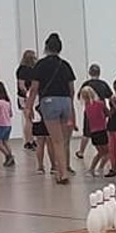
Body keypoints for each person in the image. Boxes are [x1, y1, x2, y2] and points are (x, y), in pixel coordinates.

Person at [23, 32, 77, 184]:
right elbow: (72, 90)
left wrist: (29, 107)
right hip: (65, 101)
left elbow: (34, 88)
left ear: (46, 47)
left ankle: (62, 173)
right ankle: (64, 169)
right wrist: (72, 109)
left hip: (49, 102)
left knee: (56, 140)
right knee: (64, 141)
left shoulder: (41, 65)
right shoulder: (66, 65)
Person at [76, 64, 114, 160]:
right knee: (102, 130)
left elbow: (79, 96)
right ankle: (106, 151)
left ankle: (81, 152)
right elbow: (111, 97)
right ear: (99, 73)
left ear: (89, 73)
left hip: (89, 112)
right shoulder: (103, 84)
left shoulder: (86, 84)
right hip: (101, 112)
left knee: (86, 132)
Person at [79, 85, 111, 177]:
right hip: (102, 131)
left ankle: (92, 169)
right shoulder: (100, 104)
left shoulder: (87, 107)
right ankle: (99, 168)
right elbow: (107, 113)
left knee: (100, 152)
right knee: (107, 152)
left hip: (94, 133)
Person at [16, 50, 38, 153]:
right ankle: (29, 141)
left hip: (27, 96)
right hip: (27, 96)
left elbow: (21, 84)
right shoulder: (26, 70)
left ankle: (30, 139)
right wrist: (27, 95)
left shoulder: (23, 69)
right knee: (29, 119)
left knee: (29, 119)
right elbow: (22, 84)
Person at [0, 81, 15, 167]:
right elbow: (11, 114)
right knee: (5, 141)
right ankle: (10, 156)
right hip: (8, 125)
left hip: (0, 125)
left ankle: (8, 156)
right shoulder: (7, 102)